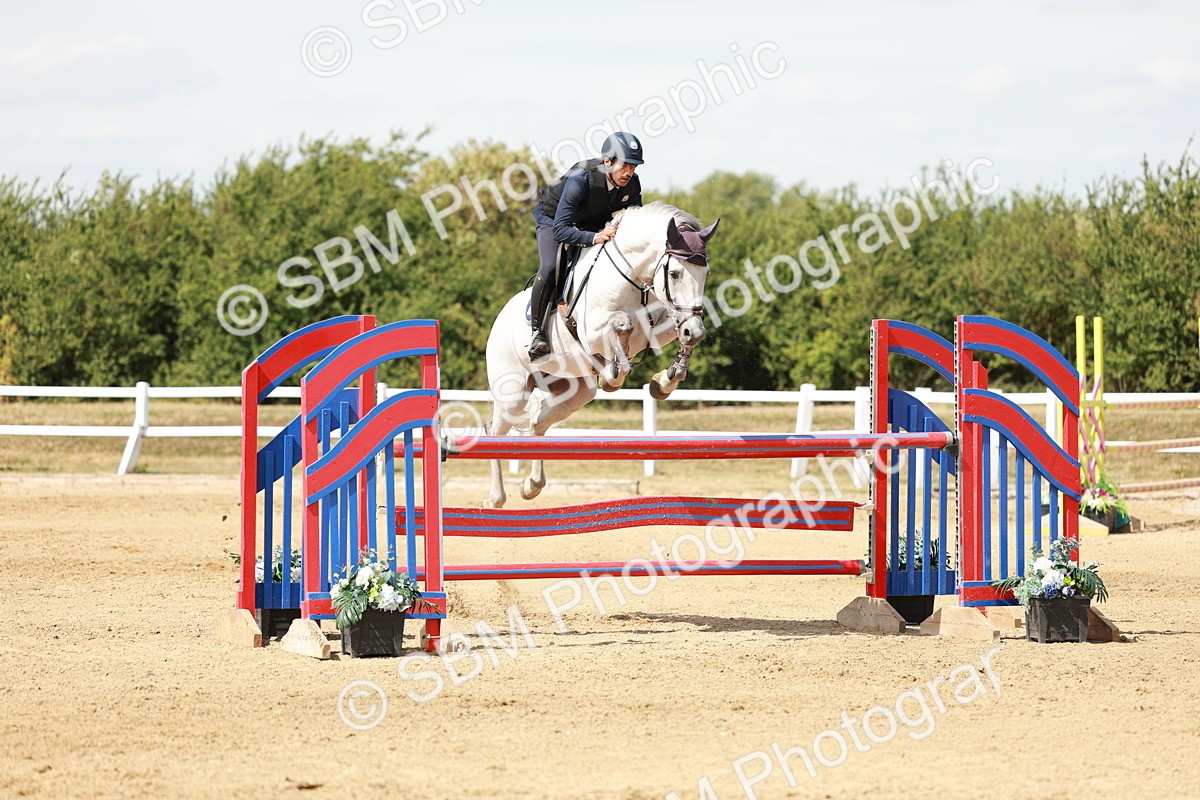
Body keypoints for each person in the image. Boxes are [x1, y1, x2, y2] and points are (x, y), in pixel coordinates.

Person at [527, 131, 644, 359]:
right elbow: (561, 229)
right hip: (553, 220)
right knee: (551, 266)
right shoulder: (581, 178)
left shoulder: (632, 185)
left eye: (634, 166)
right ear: (607, 161)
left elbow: (636, 222)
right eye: (625, 165)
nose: (629, 172)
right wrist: (594, 238)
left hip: (589, 220)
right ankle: (537, 334)